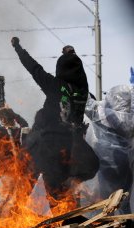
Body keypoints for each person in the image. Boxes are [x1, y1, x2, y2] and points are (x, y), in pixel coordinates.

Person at [11, 37, 99, 199]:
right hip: (74, 150)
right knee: (68, 195)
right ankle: (72, 186)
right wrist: (71, 54)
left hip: (48, 149)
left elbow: (33, 67)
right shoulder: (84, 92)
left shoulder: (54, 85)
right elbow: (76, 70)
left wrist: (17, 47)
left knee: (48, 194)